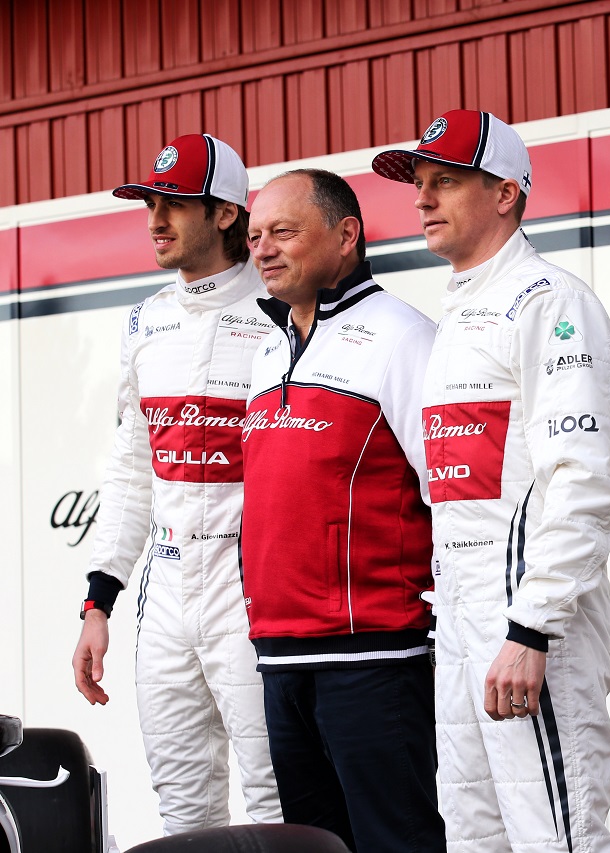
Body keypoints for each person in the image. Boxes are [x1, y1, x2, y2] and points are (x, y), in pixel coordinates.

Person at [372, 110, 610, 853]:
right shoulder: (457, 313)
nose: (422, 200)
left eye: (444, 182)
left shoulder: (549, 300)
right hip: (457, 615)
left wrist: (531, 625)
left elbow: (583, 482)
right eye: (419, 184)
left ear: (507, 193)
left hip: (526, 620)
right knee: (474, 833)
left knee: (556, 834)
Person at [70, 133, 282, 835]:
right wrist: (98, 601)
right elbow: (132, 471)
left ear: (226, 214)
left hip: (252, 595)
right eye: (149, 204)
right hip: (164, 597)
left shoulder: (282, 314)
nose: (156, 220)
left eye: (175, 205)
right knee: (185, 813)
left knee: (277, 803)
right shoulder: (146, 320)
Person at [239, 168, 446, 853]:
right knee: (314, 847)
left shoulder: (403, 335)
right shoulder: (268, 350)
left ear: (346, 234)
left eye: (284, 232)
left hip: (375, 659)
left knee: (396, 842)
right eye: (255, 235)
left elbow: (451, 492)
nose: (263, 249)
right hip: (280, 658)